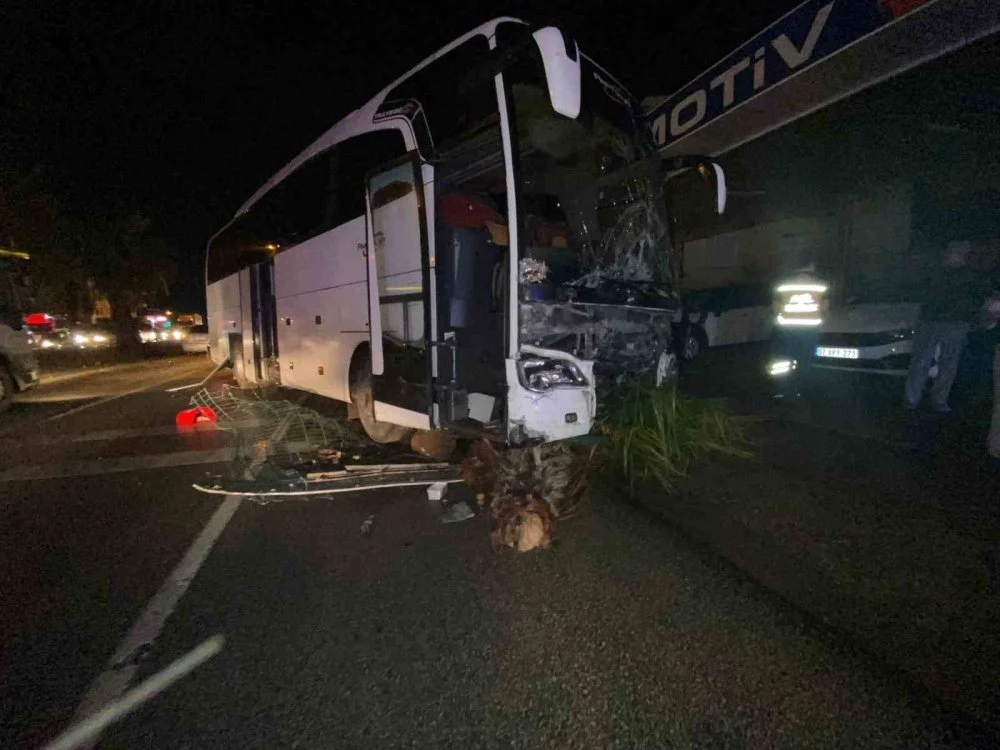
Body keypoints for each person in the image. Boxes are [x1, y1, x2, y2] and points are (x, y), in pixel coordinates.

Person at [904, 241, 991, 413]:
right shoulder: (934, 271)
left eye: (962, 253)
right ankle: (912, 399)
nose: (958, 255)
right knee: (921, 361)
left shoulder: (970, 275)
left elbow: (979, 296)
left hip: (955, 323)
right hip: (931, 321)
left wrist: (970, 317)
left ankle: (939, 399)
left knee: (948, 364)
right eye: (956, 252)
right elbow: (920, 290)